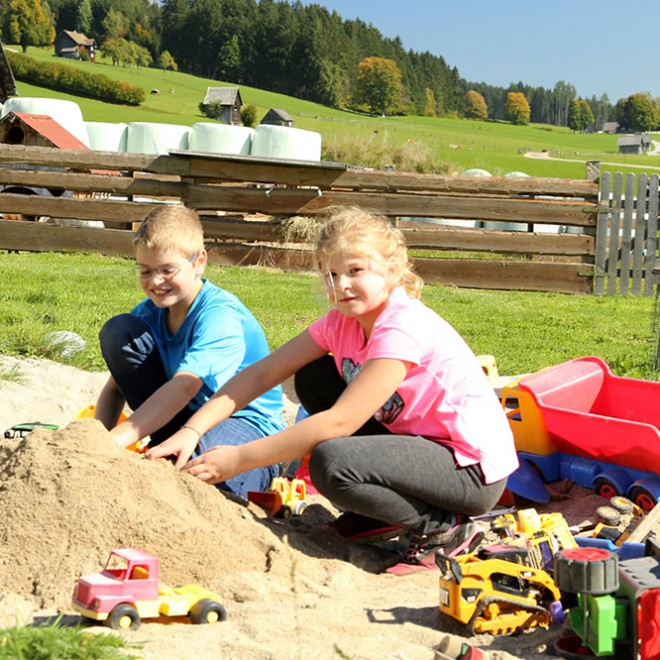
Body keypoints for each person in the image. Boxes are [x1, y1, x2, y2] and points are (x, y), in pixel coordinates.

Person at [146, 206, 518, 570]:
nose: (340, 285)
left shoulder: (401, 327)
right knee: (314, 377)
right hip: (419, 445)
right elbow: (263, 373)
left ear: (392, 271)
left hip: (469, 469)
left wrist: (238, 459)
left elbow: (340, 423)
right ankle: (374, 515)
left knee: (332, 463)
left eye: (355, 271)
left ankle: (444, 530)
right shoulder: (341, 322)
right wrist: (192, 429)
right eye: (331, 274)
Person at [94, 205, 285, 499]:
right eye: (145, 271)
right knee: (120, 331)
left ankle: (262, 470)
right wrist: (94, 442)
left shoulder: (219, 315)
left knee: (200, 479)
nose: (156, 281)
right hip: (183, 419)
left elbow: (185, 387)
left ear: (199, 262)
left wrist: (119, 440)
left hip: (244, 423)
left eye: (168, 270)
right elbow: (115, 390)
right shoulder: (147, 314)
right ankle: (169, 448)